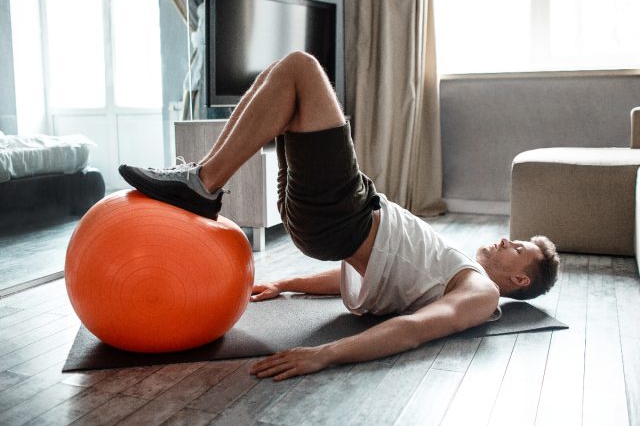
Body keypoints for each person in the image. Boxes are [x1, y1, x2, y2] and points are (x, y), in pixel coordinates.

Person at [119, 51, 560, 382]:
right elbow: (363, 278)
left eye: (517, 249)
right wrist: (287, 284)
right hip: (331, 223)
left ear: (520, 280)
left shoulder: (480, 293)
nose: (506, 241)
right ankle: (200, 178)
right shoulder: (445, 274)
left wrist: (327, 354)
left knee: (300, 68)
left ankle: (201, 183)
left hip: (345, 216)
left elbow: (414, 330)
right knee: (285, 81)